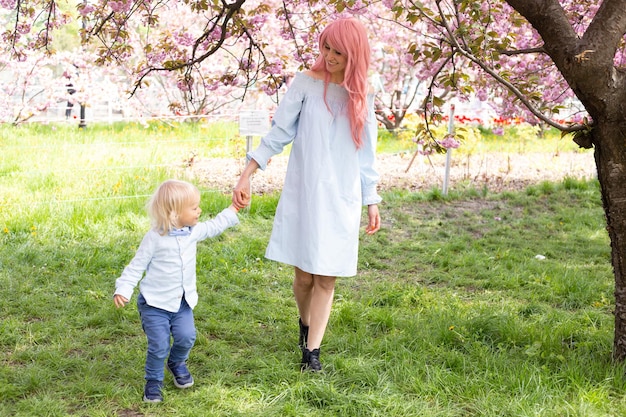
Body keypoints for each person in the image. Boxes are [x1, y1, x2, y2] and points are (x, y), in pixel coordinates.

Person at [232, 18, 382, 372]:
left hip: (341, 195)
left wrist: (371, 198)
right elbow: (279, 132)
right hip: (305, 191)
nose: (328, 56)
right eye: (326, 47)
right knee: (303, 277)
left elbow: (368, 152)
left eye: (338, 52)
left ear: (354, 55)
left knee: (326, 277)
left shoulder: (363, 92)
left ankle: (312, 354)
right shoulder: (305, 83)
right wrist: (246, 175)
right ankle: (305, 323)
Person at [114, 179, 241, 402]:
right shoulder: (154, 238)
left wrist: (234, 209)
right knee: (159, 345)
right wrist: (123, 289)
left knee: (186, 336)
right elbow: (137, 266)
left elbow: (215, 226)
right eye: (194, 207)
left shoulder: (192, 232)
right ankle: (153, 382)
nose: (199, 210)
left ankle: (176, 362)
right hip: (154, 304)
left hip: (182, 302)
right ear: (173, 212)